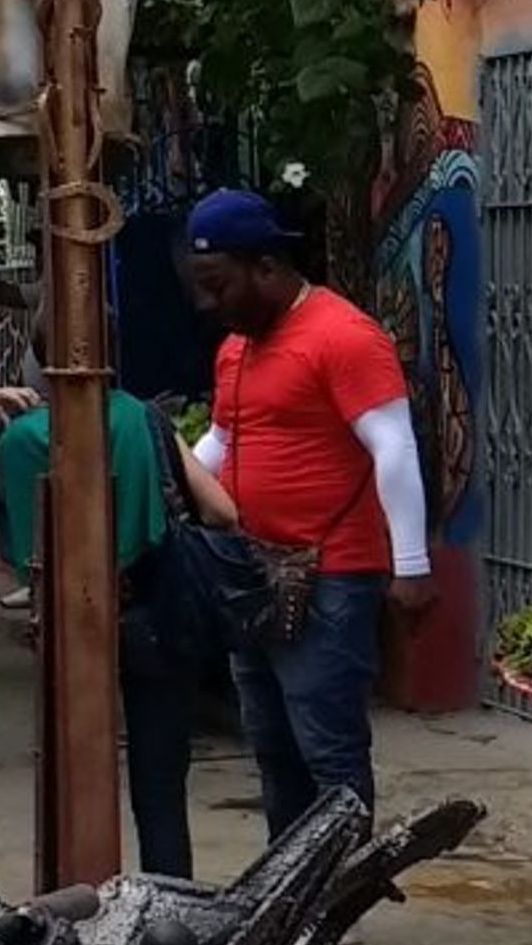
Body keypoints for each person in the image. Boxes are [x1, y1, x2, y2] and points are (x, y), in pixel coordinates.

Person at [179, 187, 435, 832]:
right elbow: (224, 440)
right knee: (270, 745)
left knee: (328, 750)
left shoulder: (343, 337)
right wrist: (165, 483)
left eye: (218, 284)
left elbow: (394, 445)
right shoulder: (238, 347)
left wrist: (410, 565)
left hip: (331, 577)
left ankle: (334, 895)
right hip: (252, 575)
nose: (207, 304)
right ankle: (283, 894)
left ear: (267, 267)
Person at [0, 351, 239, 882]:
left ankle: (77, 892)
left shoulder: (24, 438)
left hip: (68, 623)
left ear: (39, 367)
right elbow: (222, 510)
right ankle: (168, 899)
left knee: (74, 772)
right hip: (156, 614)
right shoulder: (143, 416)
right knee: (160, 781)